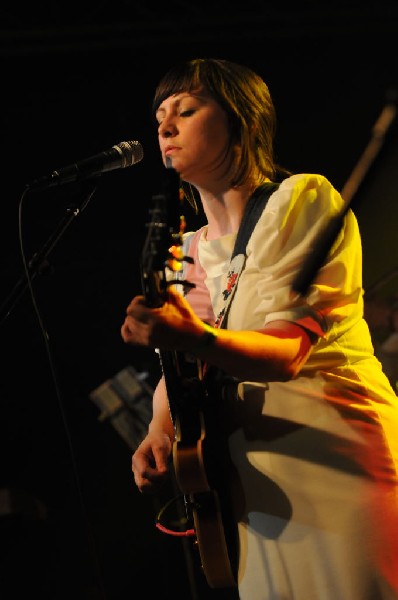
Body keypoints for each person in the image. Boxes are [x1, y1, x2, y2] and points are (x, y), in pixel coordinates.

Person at [121, 58, 398, 600]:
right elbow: (178, 367)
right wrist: (159, 430)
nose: (165, 128)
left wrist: (188, 337)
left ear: (240, 120)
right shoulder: (185, 251)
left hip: (332, 456)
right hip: (249, 484)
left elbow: (286, 350)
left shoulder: (302, 198)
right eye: (159, 118)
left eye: (187, 110)